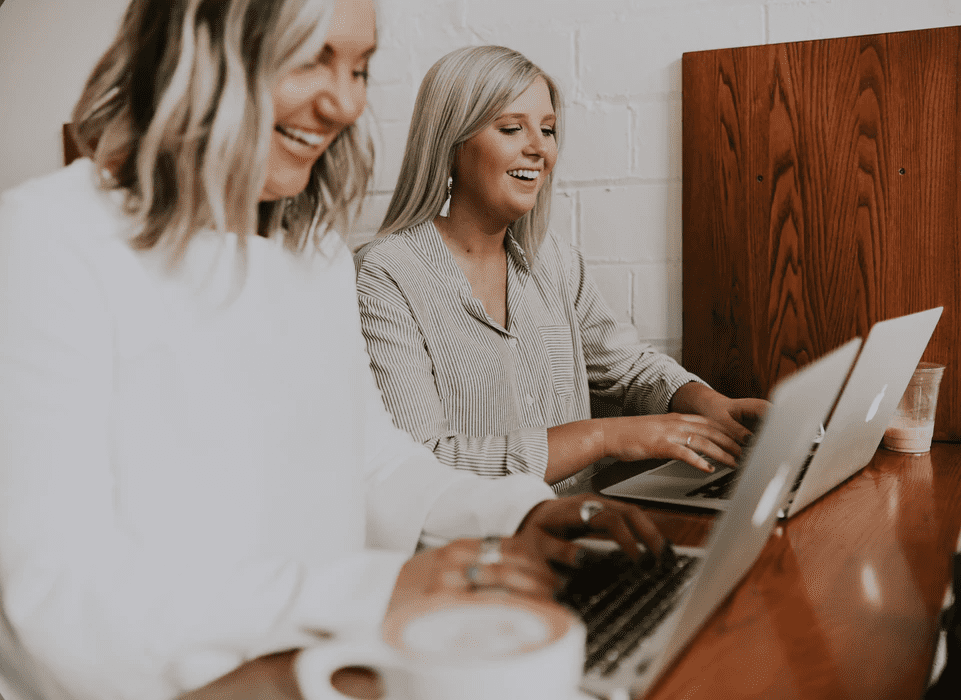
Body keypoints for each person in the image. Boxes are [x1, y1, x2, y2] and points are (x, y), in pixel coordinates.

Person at [0, 5, 665, 700]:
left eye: (360, 67)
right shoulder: (51, 237)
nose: (345, 101)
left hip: (328, 672)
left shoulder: (312, 253)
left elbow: (372, 460)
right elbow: (53, 599)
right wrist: (375, 592)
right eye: (309, 58)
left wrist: (514, 514)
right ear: (199, 48)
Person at [355, 45, 769, 485]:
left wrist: (708, 403)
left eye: (548, 130)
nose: (539, 149)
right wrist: (601, 438)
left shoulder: (554, 262)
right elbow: (421, 465)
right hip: (477, 547)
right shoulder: (384, 275)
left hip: (578, 533)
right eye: (512, 128)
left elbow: (626, 368)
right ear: (451, 143)